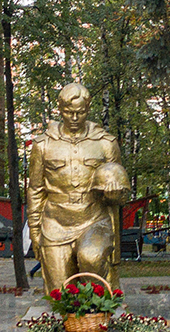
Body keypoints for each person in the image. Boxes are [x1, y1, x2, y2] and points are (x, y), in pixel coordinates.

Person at [26, 82, 129, 293]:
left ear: (88, 109)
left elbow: (122, 196)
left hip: (93, 221)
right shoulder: (43, 145)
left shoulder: (105, 143)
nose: (74, 118)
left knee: (91, 257)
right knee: (59, 294)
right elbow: (35, 190)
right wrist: (35, 231)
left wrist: (113, 194)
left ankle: (98, 316)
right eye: (68, 112)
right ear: (60, 109)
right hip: (55, 224)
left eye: (80, 112)